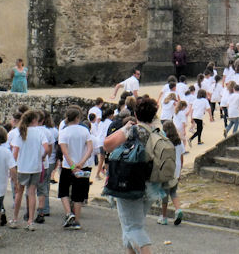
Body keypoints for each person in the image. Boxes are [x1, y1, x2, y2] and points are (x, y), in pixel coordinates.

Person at [104, 96, 158, 254]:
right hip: (151, 185)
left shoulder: (133, 130)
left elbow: (107, 145)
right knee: (130, 225)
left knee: (133, 227)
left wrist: (125, 128)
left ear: (135, 113)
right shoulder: (157, 131)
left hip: (130, 182)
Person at [11, 110, 50, 230]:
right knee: (32, 192)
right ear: (34, 120)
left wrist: (13, 166)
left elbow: (15, 152)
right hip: (36, 166)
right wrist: (42, 157)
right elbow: (47, 148)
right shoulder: (39, 132)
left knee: (19, 193)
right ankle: (30, 221)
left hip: (23, 166)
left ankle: (15, 219)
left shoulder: (20, 132)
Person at [58, 107, 94, 230]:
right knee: (78, 195)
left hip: (68, 166)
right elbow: (90, 149)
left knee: (63, 191)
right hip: (82, 166)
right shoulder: (85, 131)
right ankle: (77, 221)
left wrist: (73, 166)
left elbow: (65, 152)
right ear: (78, 118)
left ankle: (69, 213)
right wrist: (81, 163)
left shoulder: (64, 132)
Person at [158, 121, 184, 226]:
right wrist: (180, 171)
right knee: (173, 191)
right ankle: (178, 209)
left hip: (167, 168)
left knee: (164, 194)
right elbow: (182, 158)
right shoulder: (179, 142)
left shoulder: (164, 142)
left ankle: (164, 217)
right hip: (177, 169)